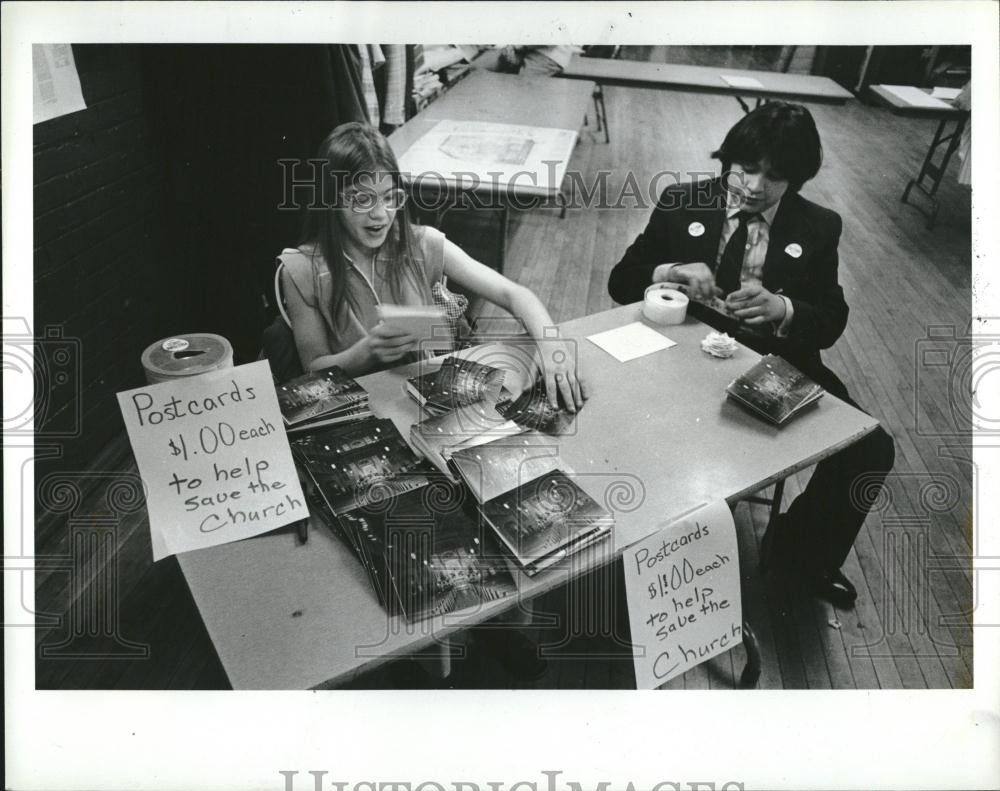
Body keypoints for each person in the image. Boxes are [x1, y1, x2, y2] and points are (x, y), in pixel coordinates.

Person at [608, 102, 895, 609]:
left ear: (799, 179)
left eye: (776, 176)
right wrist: (669, 270)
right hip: (678, 353)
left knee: (870, 450)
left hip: (776, 361)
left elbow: (830, 318)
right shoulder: (682, 201)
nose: (755, 186)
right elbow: (621, 281)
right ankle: (646, 546)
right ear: (728, 159)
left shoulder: (820, 225)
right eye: (745, 168)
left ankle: (799, 553)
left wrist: (783, 307)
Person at [280, 121, 586, 414]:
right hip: (355, 412)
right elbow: (314, 368)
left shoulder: (420, 244)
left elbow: (513, 293)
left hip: (421, 406)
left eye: (391, 197)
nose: (381, 215)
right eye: (361, 200)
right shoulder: (301, 270)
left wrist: (553, 347)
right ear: (331, 200)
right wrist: (366, 351)